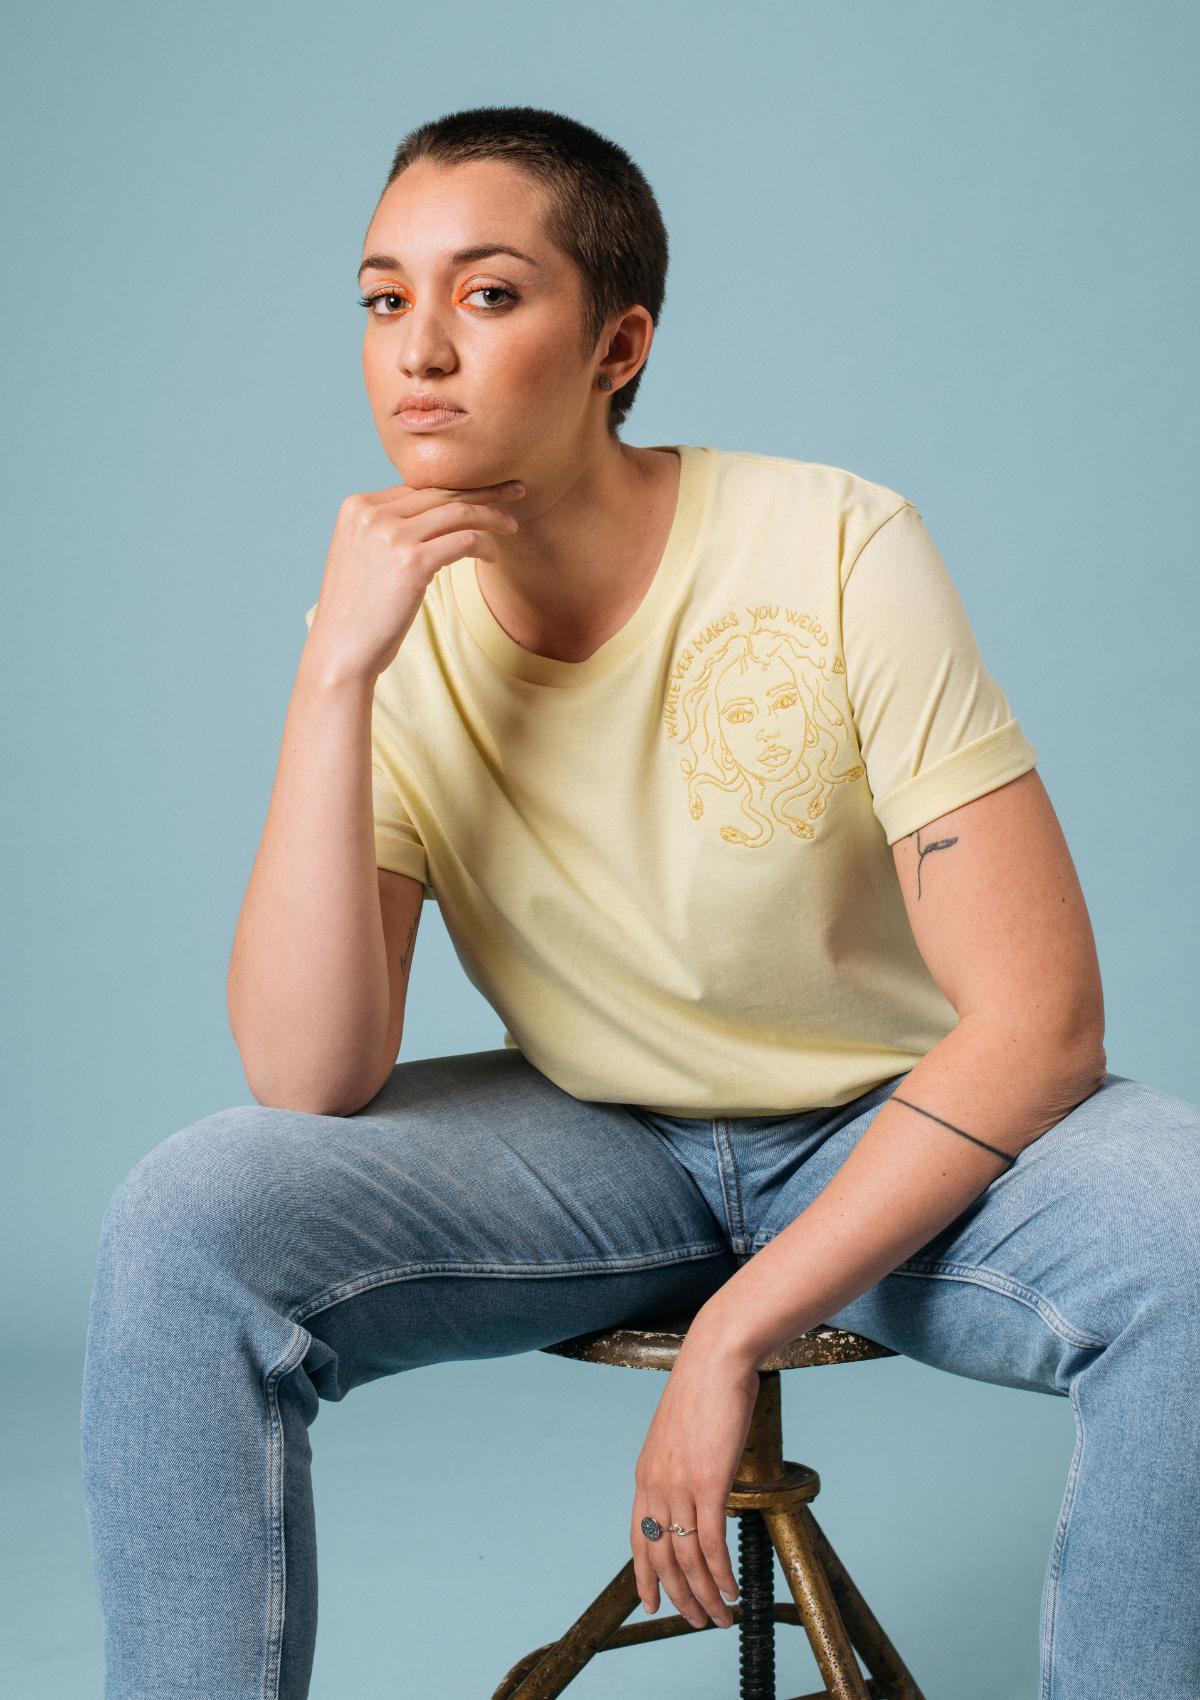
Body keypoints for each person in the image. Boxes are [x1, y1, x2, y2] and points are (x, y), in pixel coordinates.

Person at [82, 107, 1200, 1700]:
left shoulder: (835, 543)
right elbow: (308, 1071)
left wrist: (736, 1333)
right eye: (385, 300)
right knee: (187, 1219)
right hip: (599, 1145)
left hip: (898, 1124)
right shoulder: (385, 626)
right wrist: (335, 675)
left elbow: (1042, 1022)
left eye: (487, 294)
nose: (421, 351)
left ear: (619, 346)